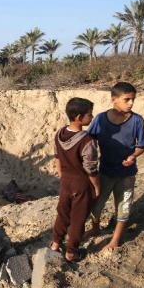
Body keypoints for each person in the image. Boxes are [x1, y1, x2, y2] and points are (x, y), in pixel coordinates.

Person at [87, 82, 144, 251]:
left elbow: (142, 144)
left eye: (133, 99)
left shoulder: (137, 121)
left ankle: (115, 239)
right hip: (105, 172)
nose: (131, 103)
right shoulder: (100, 119)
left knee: (124, 207)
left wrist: (133, 155)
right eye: (127, 99)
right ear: (114, 99)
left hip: (127, 174)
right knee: (96, 205)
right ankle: (95, 227)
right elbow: (88, 141)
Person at [50, 98, 100, 262]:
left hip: (66, 182)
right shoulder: (87, 140)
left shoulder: (59, 134)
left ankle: (55, 243)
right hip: (81, 184)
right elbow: (90, 168)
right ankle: (71, 252)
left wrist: (61, 175)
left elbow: (57, 156)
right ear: (79, 117)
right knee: (78, 219)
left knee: (62, 213)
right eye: (89, 114)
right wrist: (96, 186)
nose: (92, 117)